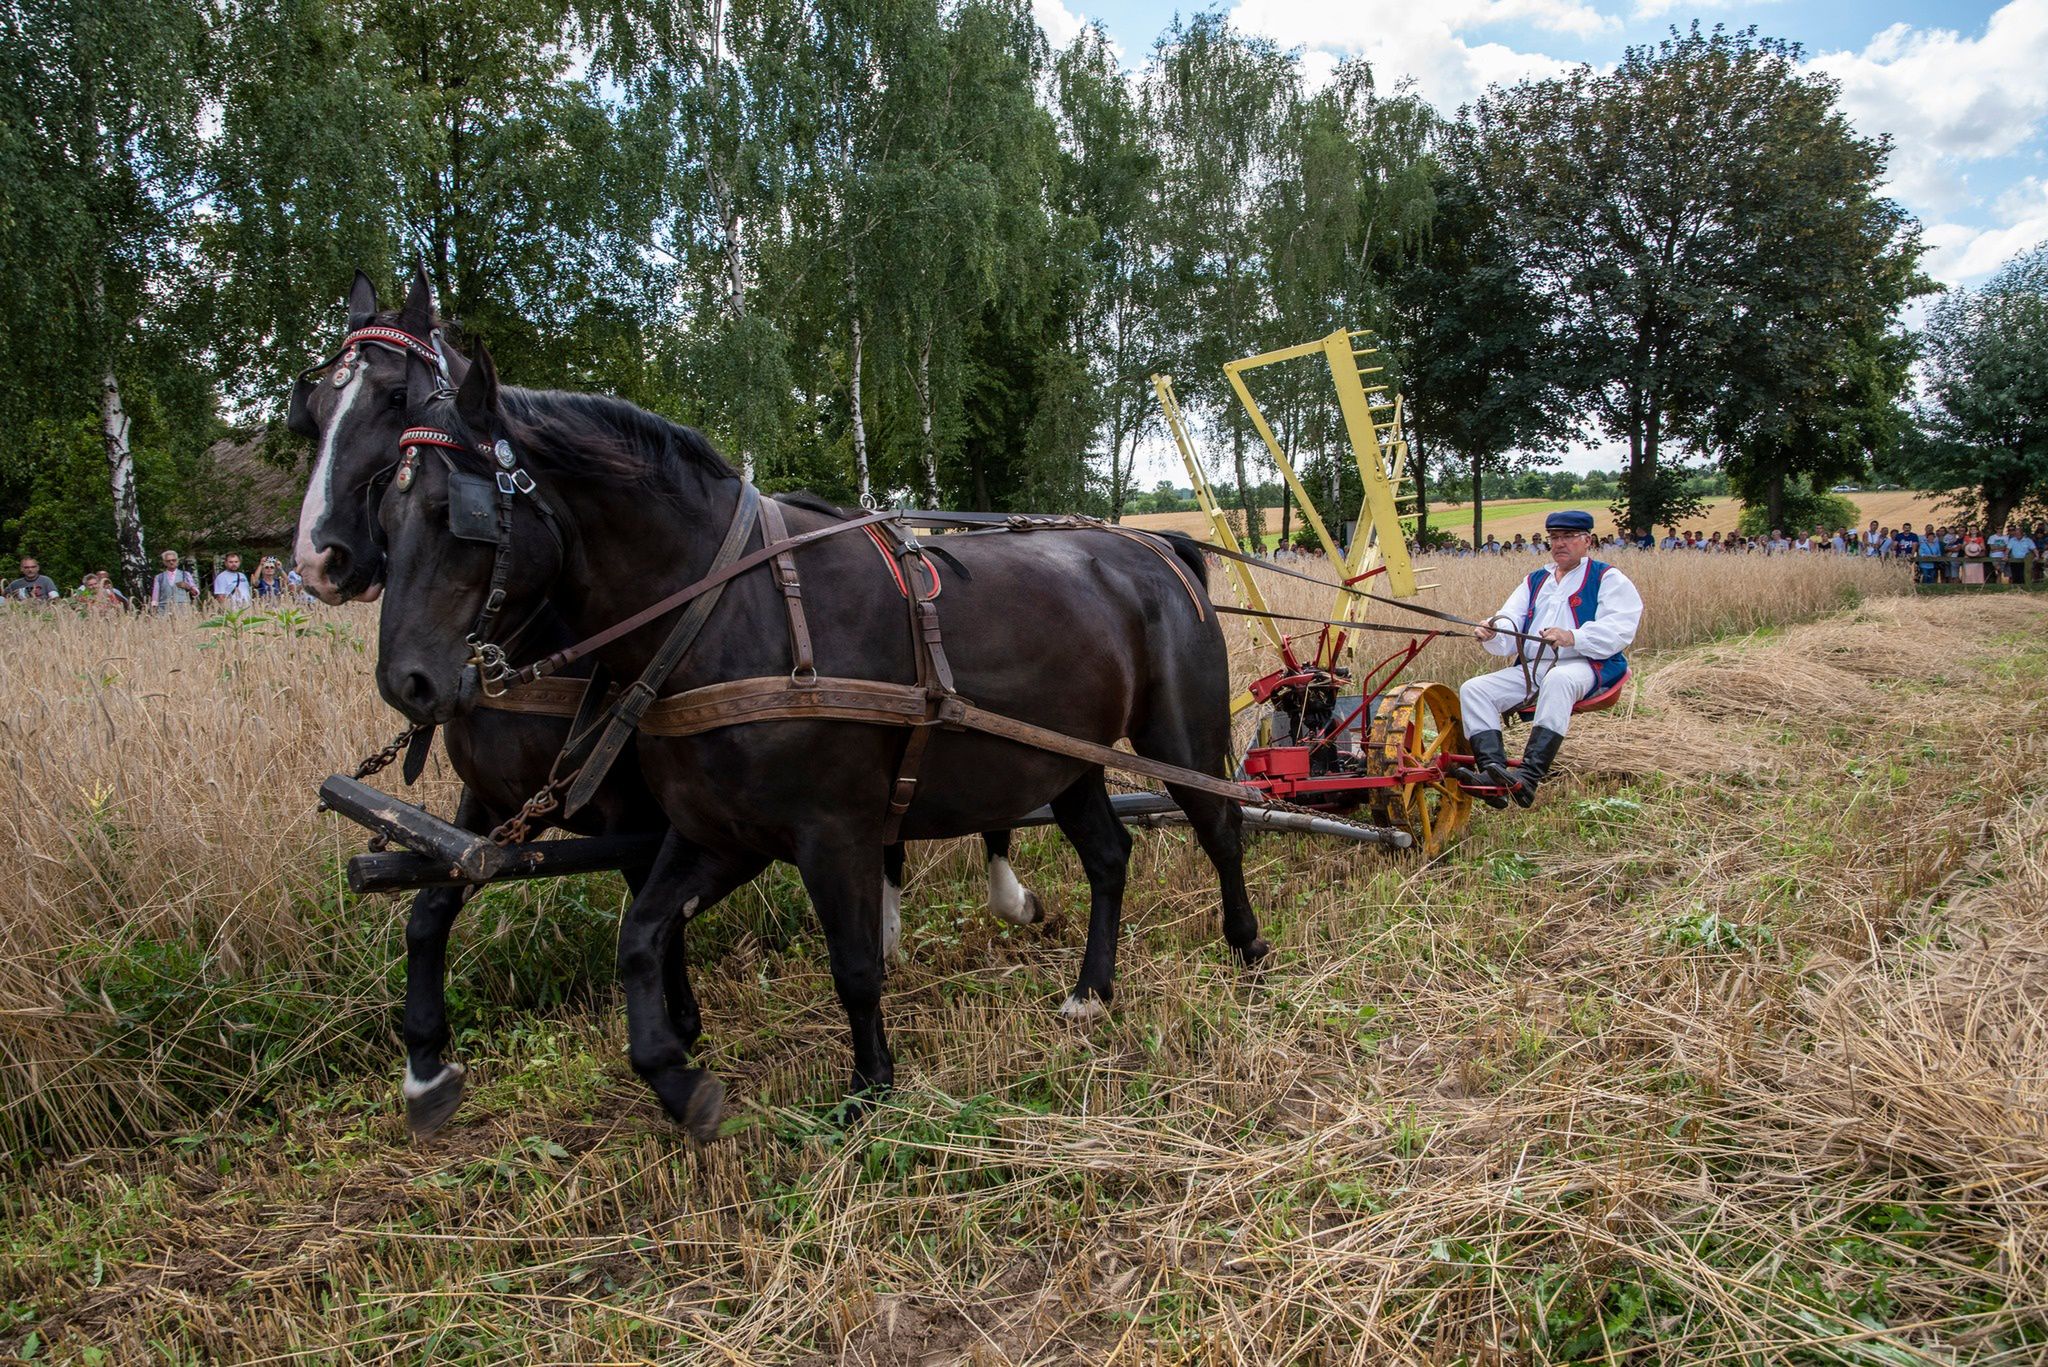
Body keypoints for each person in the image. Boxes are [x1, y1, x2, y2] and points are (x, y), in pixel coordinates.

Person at [1454, 509, 1643, 810]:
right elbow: (1510, 621)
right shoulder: (1535, 580)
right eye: (1555, 538)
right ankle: (1493, 774)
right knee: (1474, 689)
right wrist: (1492, 629)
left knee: (1559, 679)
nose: (1560, 544)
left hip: (1586, 665)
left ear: (1587, 541)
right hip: (1536, 668)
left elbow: (1620, 631)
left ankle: (1528, 776)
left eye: (1568, 537)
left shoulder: (1607, 578)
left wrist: (1573, 637)